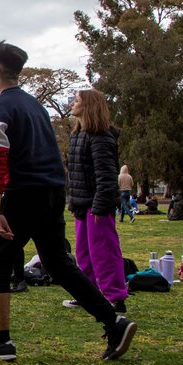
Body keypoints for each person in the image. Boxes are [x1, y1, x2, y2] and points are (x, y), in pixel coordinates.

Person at [0, 41, 135, 362]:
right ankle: (114, 322)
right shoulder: (35, 106)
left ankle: (1, 341)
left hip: (21, 192)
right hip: (51, 191)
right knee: (58, 262)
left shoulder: (0, 108)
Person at [65, 89, 128, 314]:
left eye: (77, 101)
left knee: (104, 252)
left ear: (89, 106)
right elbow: (75, 174)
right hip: (83, 203)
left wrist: (100, 206)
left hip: (97, 205)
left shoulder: (101, 137)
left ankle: (115, 297)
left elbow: (106, 176)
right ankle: (88, 294)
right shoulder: (77, 135)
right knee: (83, 253)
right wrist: (73, 202)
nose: (73, 104)